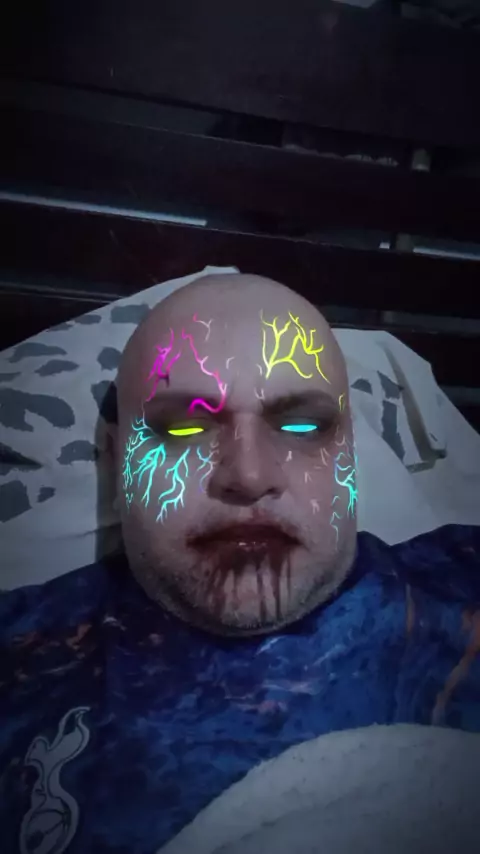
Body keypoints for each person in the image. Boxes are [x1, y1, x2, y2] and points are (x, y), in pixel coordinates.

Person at [1, 273, 480, 854]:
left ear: (349, 451)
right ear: (114, 458)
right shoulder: (23, 660)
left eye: (303, 425)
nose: (249, 476)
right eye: (182, 426)